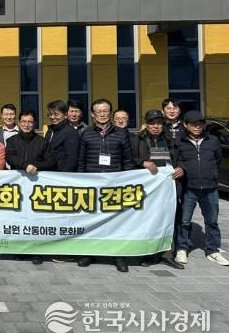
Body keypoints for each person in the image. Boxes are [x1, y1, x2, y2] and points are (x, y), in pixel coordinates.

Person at [77, 99, 135, 272]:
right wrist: (81, 182)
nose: (102, 114)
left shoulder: (121, 134)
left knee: (116, 221)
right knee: (91, 220)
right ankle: (90, 253)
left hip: (115, 185)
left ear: (110, 113)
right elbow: (81, 160)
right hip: (92, 184)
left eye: (105, 111)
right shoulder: (86, 133)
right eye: (98, 111)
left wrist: (127, 182)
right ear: (93, 114)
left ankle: (118, 256)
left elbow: (128, 160)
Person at [175, 110, 229, 266]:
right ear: (185, 125)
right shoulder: (180, 141)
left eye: (200, 123)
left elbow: (217, 159)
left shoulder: (213, 140)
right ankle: (182, 248)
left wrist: (211, 174)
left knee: (212, 221)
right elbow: (177, 160)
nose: (198, 126)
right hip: (189, 187)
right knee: (184, 220)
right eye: (194, 124)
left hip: (210, 188)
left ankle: (213, 250)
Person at [135, 110, 185, 269]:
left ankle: (167, 254)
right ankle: (149, 254)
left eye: (159, 123)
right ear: (146, 124)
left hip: (168, 189)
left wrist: (181, 168)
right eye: (152, 123)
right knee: (149, 222)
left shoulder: (170, 140)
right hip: (148, 190)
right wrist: (142, 162)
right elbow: (129, 159)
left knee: (169, 221)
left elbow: (181, 158)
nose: (155, 126)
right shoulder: (137, 140)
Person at [6, 109, 56, 265]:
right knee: (18, 219)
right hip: (17, 188)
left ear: (34, 124)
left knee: (36, 219)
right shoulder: (12, 140)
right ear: (19, 122)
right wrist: (24, 165)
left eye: (30, 122)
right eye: (24, 121)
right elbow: (10, 157)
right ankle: (20, 249)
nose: (26, 125)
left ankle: (36, 251)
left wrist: (36, 166)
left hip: (36, 188)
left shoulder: (42, 142)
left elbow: (51, 161)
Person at [44, 100, 80, 172]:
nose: (52, 117)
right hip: (49, 172)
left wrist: (64, 176)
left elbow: (72, 159)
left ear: (65, 115)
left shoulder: (70, 132)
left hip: (62, 174)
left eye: (56, 114)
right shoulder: (50, 130)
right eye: (50, 114)